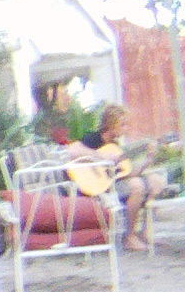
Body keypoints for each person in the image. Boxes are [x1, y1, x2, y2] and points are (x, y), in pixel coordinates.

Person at [66, 104, 170, 249]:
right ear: (110, 124)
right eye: (122, 124)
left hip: (111, 184)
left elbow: (127, 173)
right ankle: (129, 237)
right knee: (137, 186)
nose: (126, 128)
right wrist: (101, 156)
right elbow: (71, 151)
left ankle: (146, 232)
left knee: (156, 181)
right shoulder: (94, 138)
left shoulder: (115, 145)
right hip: (94, 188)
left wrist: (147, 160)